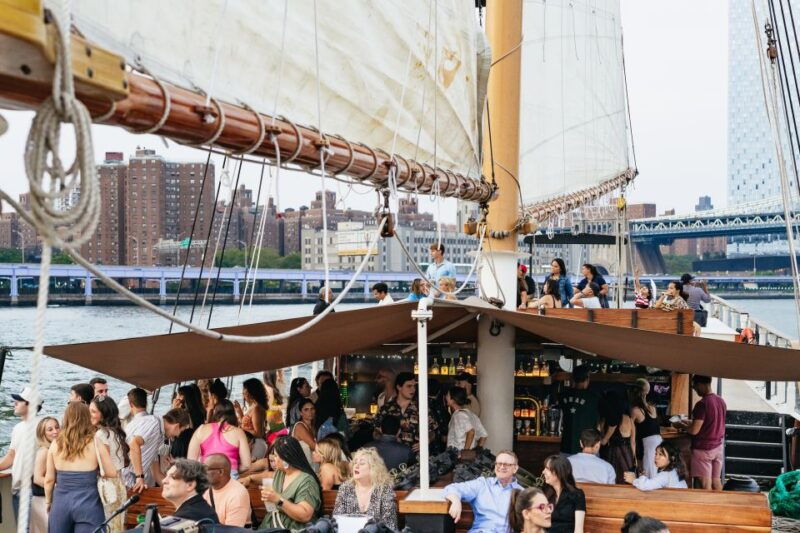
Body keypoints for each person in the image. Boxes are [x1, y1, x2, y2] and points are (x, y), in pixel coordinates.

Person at [45, 402, 117, 533]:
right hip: (89, 504)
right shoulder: (95, 442)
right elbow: (112, 472)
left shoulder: (55, 444)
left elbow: (49, 480)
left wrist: (49, 502)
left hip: (61, 503)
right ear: (86, 418)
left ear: (66, 418)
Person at [444, 450, 523, 533]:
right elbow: (452, 488)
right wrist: (456, 501)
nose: (502, 467)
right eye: (499, 463)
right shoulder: (482, 485)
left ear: (515, 468)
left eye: (506, 464)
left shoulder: (522, 493)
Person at [259, 436, 322, 531]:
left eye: (276, 456)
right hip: (271, 527)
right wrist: (249, 478)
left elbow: (305, 515)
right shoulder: (280, 473)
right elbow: (267, 475)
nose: (274, 459)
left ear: (286, 458)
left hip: (294, 529)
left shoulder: (307, 481)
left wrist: (278, 500)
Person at [675, 374, 727, 490]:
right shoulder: (721, 401)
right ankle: (720, 506)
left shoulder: (702, 404)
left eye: (695, 386)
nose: (695, 389)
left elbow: (694, 430)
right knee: (716, 481)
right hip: (718, 447)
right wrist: (688, 423)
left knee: (705, 484)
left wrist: (680, 425)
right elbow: (710, 422)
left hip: (704, 449)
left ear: (702, 384)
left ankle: (707, 507)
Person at [0, 386, 43, 521]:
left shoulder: (42, 426)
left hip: (32, 491)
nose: (15, 403)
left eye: (19, 400)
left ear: (30, 405)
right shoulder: (17, 427)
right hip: (17, 489)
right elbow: (11, 455)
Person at [90, 396, 130, 532]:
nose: (90, 415)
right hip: (119, 482)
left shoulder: (101, 435)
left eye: (93, 412)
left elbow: (104, 466)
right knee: (117, 524)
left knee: (109, 525)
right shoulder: (115, 431)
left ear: (104, 414)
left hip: (107, 485)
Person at [332, 447, 398, 529]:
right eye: (355, 463)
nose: (356, 466)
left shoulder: (384, 489)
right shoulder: (346, 488)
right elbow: (337, 520)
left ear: (373, 468)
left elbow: (390, 525)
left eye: (362, 463)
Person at [374, 372, 439, 453]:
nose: (413, 389)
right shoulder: (386, 408)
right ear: (399, 387)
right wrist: (385, 440)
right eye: (409, 386)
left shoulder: (422, 408)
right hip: (392, 455)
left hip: (416, 458)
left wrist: (426, 441)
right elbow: (376, 431)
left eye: (414, 386)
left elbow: (432, 430)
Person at [189, 399, 251, 478]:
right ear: (233, 414)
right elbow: (246, 465)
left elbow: (191, 462)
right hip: (229, 477)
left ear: (215, 413)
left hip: (206, 477)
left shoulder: (201, 430)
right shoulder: (239, 432)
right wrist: (233, 469)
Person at [122, 388, 162, 492]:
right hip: (133, 477)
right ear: (146, 403)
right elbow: (134, 444)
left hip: (124, 475)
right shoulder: (152, 421)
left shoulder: (129, 426)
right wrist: (139, 477)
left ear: (131, 405)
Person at [557, 365, 599, 456]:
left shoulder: (563, 395)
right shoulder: (593, 398)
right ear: (587, 379)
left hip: (566, 445)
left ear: (573, 378)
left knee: (566, 470)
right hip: (587, 446)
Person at [162, 459, 219, 523]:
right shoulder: (198, 508)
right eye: (166, 476)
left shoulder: (187, 517)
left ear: (190, 485)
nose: (164, 481)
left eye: (172, 477)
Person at [599, 390, 636, 484]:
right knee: (628, 480)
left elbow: (602, 438)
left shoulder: (606, 419)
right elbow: (633, 441)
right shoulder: (628, 418)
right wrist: (634, 459)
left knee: (612, 479)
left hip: (612, 452)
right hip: (627, 453)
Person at [203, 453, 250, 527]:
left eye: (205, 469)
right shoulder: (205, 489)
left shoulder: (237, 495)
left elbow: (232, 530)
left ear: (220, 472)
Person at [542, 455, 586, 533]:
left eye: (547, 469)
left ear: (558, 472)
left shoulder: (577, 495)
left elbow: (578, 529)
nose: (543, 472)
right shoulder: (546, 494)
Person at [630, 378, 663, 479]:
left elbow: (632, 439)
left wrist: (634, 459)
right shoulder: (653, 408)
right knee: (658, 474)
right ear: (647, 392)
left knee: (649, 477)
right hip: (660, 443)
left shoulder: (634, 410)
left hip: (649, 446)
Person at [31, 417, 59, 533]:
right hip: (42, 501)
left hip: (50, 499)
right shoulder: (44, 452)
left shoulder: (54, 449)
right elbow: (37, 478)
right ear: (43, 434)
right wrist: (60, 487)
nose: (55, 431)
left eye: (57, 427)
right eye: (50, 429)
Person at [446, 386, 488, 453]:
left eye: (447, 395)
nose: (446, 397)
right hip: (467, 458)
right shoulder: (471, 414)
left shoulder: (459, 415)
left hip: (457, 455)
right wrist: (477, 451)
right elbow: (484, 435)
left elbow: (471, 432)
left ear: (453, 399)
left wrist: (465, 452)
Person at [291, 398, 318, 466]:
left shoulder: (313, 427)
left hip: (313, 464)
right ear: (301, 413)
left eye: (312, 409)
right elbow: (314, 446)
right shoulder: (299, 426)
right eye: (306, 409)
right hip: (302, 467)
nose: (310, 412)